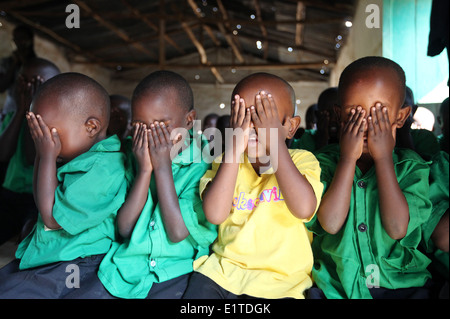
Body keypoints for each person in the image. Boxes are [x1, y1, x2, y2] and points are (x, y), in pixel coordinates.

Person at [183, 72, 323, 299]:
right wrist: (234, 149)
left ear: (291, 126)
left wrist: (276, 144)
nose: (253, 127)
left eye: (265, 116)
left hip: (282, 282)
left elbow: (304, 208)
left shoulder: (302, 160)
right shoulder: (224, 163)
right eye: (243, 117)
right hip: (223, 274)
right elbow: (215, 214)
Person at [308, 56, 436, 299]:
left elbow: (398, 228)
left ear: (401, 117)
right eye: (354, 113)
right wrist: (347, 160)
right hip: (338, 286)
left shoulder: (412, 168)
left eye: (378, 113)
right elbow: (331, 223)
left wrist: (384, 159)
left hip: (400, 285)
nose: (366, 125)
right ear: (338, 115)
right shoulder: (324, 163)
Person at [0, 72, 128, 299]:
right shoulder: (83, 159)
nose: (44, 142)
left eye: (49, 133)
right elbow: (42, 202)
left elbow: (52, 218)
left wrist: (47, 156)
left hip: (78, 263)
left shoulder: (104, 168)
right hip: (58, 255)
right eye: (37, 134)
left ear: (91, 127)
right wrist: (43, 154)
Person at [97, 71, 217, 299]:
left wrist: (162, 168)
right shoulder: (134, 157)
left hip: (177, 273)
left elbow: (177, 232)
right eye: (141, 126)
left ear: (189, 121)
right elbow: (124, 228)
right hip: (127, 269)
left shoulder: (202, 167)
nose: (151, 136)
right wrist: (144, 171)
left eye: (161, 125)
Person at [0, 58, 60, 245]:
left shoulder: (57, 126)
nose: (26, 88)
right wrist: (21, 112)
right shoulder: (11, 117)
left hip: (40, 198)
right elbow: (2, 155)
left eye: (35, 83)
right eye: (22, 81)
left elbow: (29, 157)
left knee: (27, 236)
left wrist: (31, 114)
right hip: (10, 191)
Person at [290, 87, 339, 152]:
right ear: (317, 115)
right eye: (327, 114)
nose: (333, 119)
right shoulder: (307, 138)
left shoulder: (351, 140)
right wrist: (322, 140)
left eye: (337, 114)